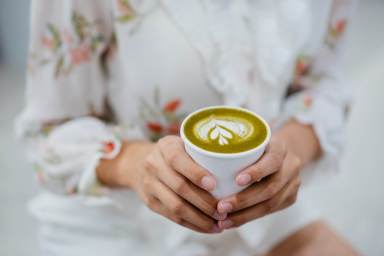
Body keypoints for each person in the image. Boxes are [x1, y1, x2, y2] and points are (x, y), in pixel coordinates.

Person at [17, 0, 359, 255]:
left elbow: (325, 84)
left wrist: (289, 153)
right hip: (117, 216)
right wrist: (136, 166)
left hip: (256, 216)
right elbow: (47, 131)